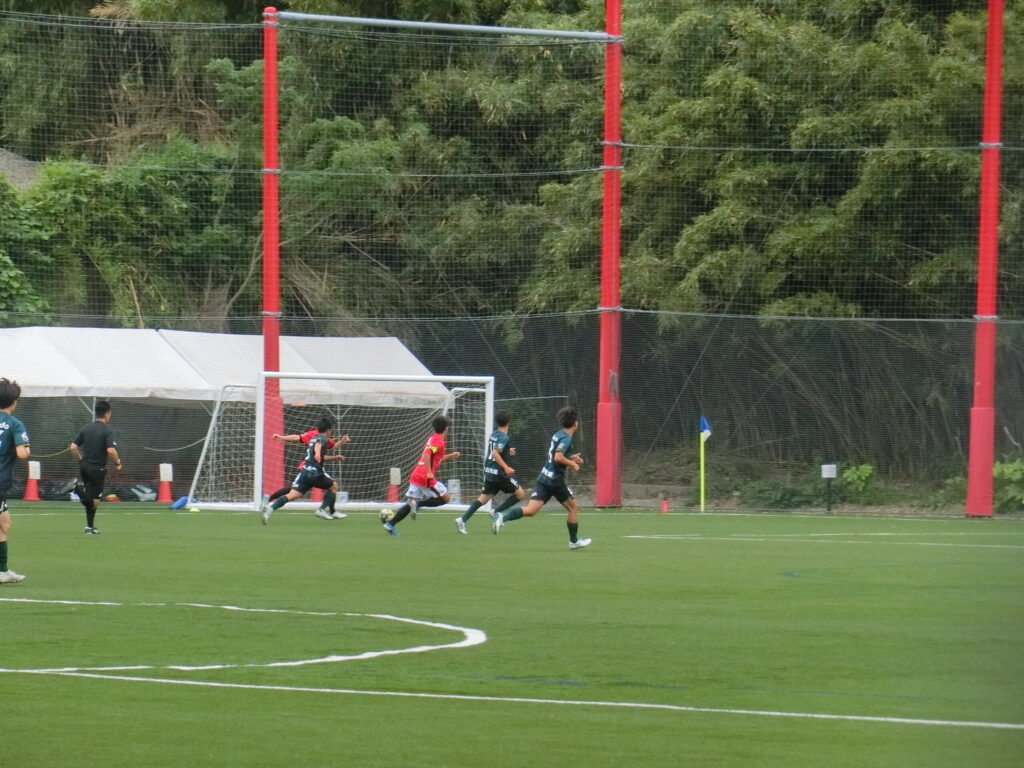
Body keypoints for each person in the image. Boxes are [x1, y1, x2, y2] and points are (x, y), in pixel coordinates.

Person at [491, 405, 591, 550]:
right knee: (573, 508)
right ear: (575, 423)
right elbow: (557, 457)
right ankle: (574, 541)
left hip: (544, 477)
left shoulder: (558, 434)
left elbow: (555, 457)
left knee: (531, 510)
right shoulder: (567, 439)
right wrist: (572, 464)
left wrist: (570, 458)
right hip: (555, 481)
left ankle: (502, 518)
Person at [381, 414, 460, 536]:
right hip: (425, 477)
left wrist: (450, 456)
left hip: (417, 474)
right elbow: (428, 454)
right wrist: (429, 472)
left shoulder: (433, 438)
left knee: (410, 504)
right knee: (446, 498)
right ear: (446, 428)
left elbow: (434, 457)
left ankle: (390, 524)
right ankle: (419, 504)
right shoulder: (439, 442)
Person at [454, 409, 524, 534]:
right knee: (520, 494)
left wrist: (508, 450)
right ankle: (496, 512)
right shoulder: (504, 437)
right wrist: (506, 468)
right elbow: (495, 453)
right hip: (499, 474)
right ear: (509, 422)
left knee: (483, 498)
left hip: (489, 471)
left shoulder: (494, 434)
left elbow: (496, 449)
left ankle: (462, 520)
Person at [260, 416, 340, 524]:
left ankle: (270, 508)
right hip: (314, 472)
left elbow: (326, 447)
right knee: (333, 486)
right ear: (328, 430)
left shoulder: (314, 437)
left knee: (292, 494)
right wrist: (317, 453)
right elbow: (318, 444)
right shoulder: (321, 438)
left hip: (305, 471)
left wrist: (337, 451)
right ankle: (323, 510)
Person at [69, 400, 122, 534]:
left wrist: (80, 460)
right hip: (97, 469)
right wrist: (117, 463)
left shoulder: (86, 428)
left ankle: (89, 527)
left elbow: (73, 447)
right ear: (107, 414)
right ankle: (75, 489)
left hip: (84, 467)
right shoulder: (108, 430)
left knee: (89, 497)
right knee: (94, 502)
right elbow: (111, 450)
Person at [0, 378, 31, 583]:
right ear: (14, 402)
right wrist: (26, 448)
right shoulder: (14, 423)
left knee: (4, 522)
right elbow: (22, 453)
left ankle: (2, 570)